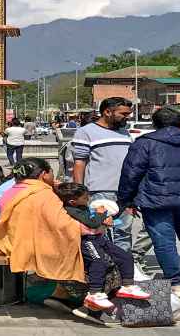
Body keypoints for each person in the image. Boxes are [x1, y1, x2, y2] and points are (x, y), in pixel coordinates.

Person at [118, 107, 180, 298]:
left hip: (156, 199)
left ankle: (176, 283)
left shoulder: (145, 143)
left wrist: (125, 199)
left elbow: (131, 174)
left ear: (154, 124)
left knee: (164, 241)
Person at [54, 182, 151, 317]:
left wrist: (106, 216)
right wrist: (101, 214)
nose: (88, 199)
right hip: (87, 241)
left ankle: (128, 285)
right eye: (84, 197)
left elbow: (93, 219)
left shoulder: (81, 206)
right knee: (98, 261)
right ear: (72, 201)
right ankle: (94, 293)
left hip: (99, 238)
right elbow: (91, 222)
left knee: (125, 256)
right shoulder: (71, 210)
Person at [0, 158, 85, 283]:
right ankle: (62, 289)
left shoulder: (12, 190)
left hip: (9, 241)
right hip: (26, 246)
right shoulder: (43, 194)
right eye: (51, 172)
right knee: (83, 242)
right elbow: (63, 225)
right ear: (44, 174)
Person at [71, 97, 138, 258]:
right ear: (107, 112)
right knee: (102, 231)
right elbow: (79, 163)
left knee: (123, 230)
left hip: (124, 193)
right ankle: (105, 269)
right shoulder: (86, 132)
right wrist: (79, 192)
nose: (127, 117)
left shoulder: (124, 132)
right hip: (99, 192)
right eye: (124, 114)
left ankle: (124, 268)